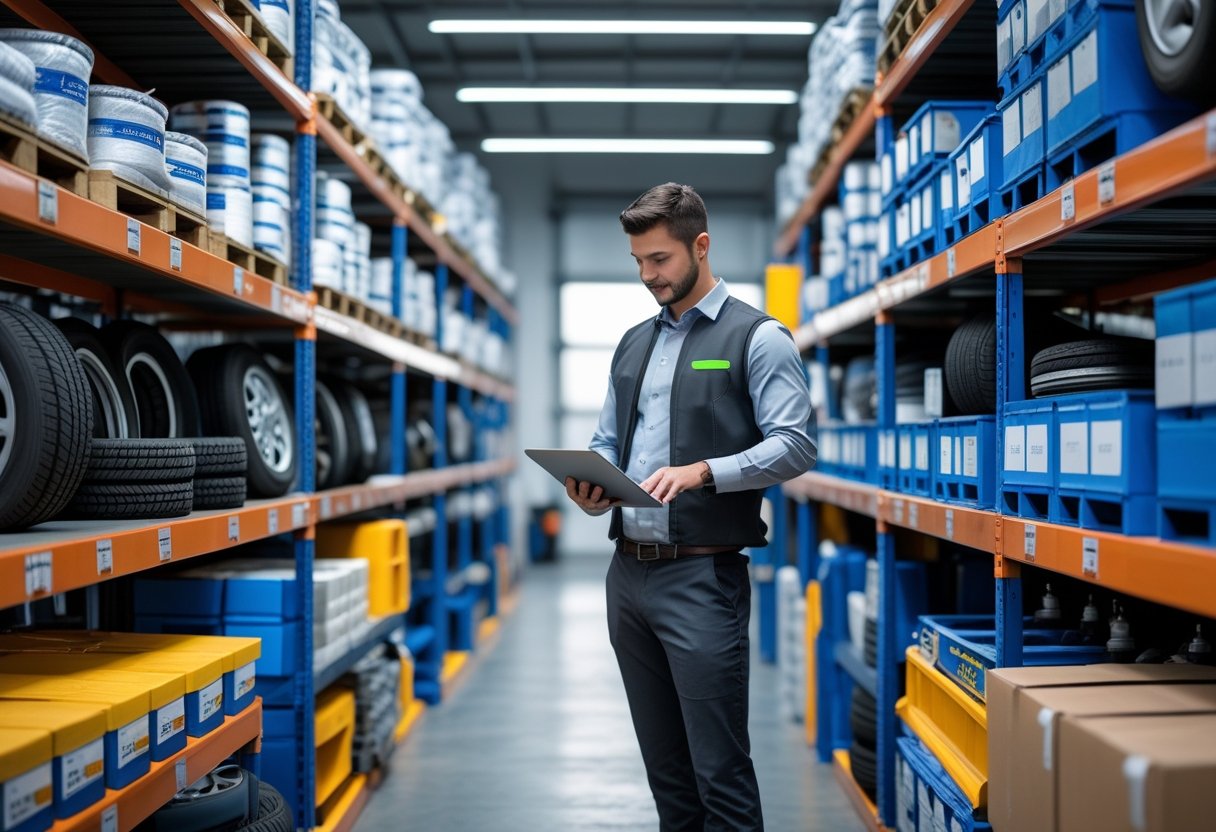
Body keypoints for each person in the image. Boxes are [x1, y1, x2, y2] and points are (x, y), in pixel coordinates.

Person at [564, 182, 816, 831]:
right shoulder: (632, 344)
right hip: (629, 576)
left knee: (719, 775)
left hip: (702, 579)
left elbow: (796, 445)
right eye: (639, 263)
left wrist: (706, 470)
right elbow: (604, 441)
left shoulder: (758, 339)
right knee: (668, 776)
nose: (648, 276)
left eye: (660, 261)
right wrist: (593, 488)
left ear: (700, 246)